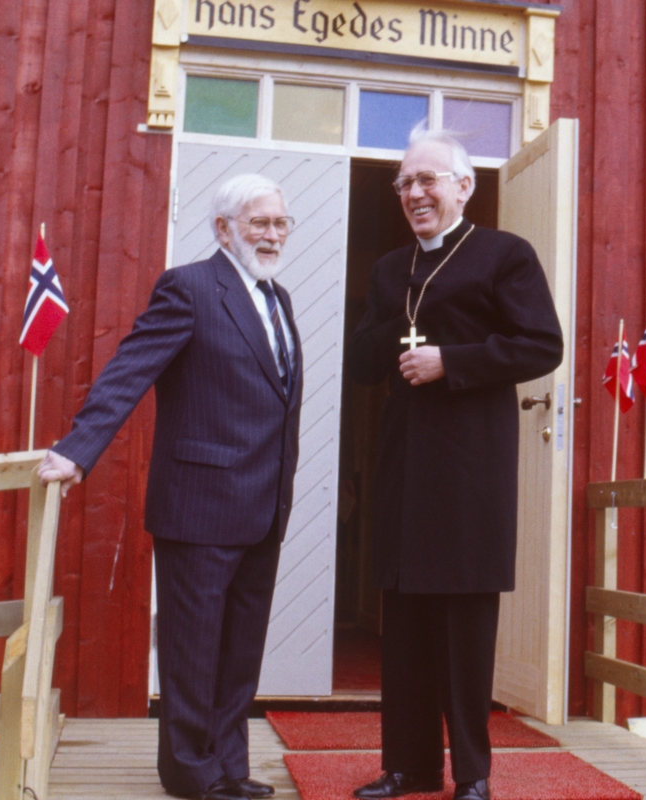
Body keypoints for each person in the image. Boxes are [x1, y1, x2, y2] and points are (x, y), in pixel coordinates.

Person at [37, 174, 302, 800]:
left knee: (241, 649)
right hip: (200, 505)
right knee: (194, 648)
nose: (270, 235)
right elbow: (131, 367)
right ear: (223, 228)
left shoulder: (280, 297)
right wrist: (79, 449)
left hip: (264, 505)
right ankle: (190, 774)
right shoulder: (189, 288)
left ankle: (230, 767)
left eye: (279, 223)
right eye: (258, 223)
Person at [346, 131, 563, 800]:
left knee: (465, 627)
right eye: (405, 183)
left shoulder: (505, 255)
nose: (415, 193)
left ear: (463, 187)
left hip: (471, 468)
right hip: (405, 466)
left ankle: (473, 773)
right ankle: (409, 766)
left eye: (428, 180)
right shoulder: (389, 269)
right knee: (405, 623)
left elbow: (542, 344)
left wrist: (452, 360)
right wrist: (397, 334)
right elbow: (361, 362)